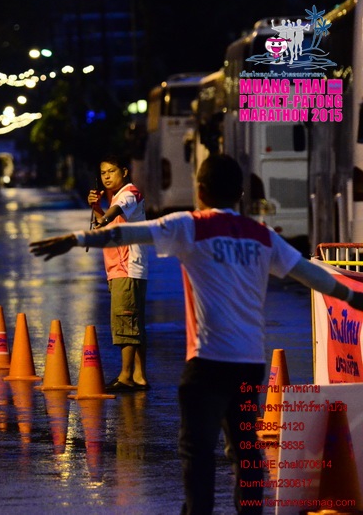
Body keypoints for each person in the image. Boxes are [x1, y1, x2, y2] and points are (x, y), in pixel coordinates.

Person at [29, 154, 363, 514]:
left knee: (197, 452)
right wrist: (355, 298)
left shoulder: (190, 225)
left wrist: (76, 239)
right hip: (249, 365)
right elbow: (312, 275)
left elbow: (128, 233)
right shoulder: (261, 236)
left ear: (200, 191)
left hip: (206, 365)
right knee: (246, 450)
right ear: (239, 194)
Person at [87, 155, 149, 392]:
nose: (106, 177)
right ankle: (139, 376)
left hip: (126, 267)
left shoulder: (128, 193)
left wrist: (104, 216)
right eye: (103, 173)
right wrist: (96, 209)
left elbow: (113, 213)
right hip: (122, 268)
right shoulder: (118, 196)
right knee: (135, 323)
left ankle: (125, 376)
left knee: (125, 322)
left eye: (111, 171)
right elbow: (106, 224)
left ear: (124, 171)